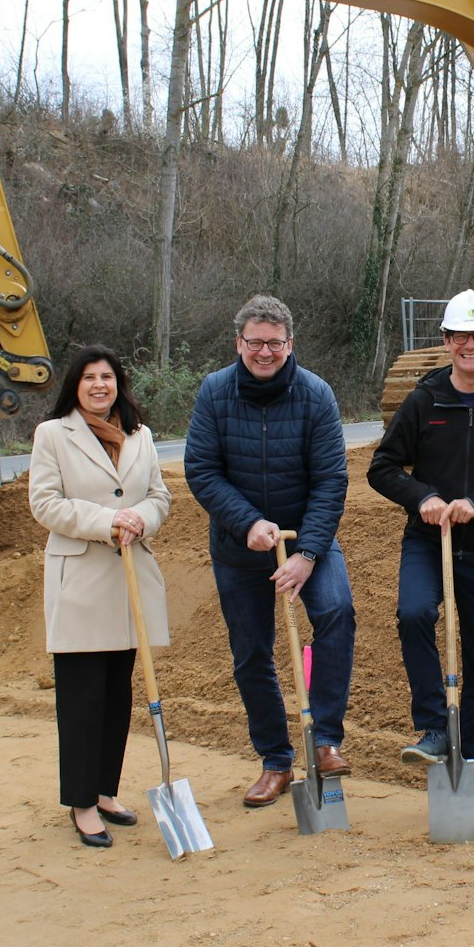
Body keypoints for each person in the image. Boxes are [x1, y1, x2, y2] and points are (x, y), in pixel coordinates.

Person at [367, 289, 474, 818]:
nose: (471, 345)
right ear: (446, 342)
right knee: (413, 613)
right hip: (428, 543)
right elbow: (382, 467)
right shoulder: (423, 403)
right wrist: (423, 497)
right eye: (460, 336)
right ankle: (434, 727)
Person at [184, 295, 356, 808]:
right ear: (239, 343)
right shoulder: (215, 393)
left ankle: (323, 739)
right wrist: (247, 523)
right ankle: (276, 760)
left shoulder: (315, 394)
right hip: (240, 547)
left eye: (274, 343)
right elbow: (202, 471)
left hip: (307, 540)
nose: (265, 352)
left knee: (336, 613)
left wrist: (307, 554)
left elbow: (331, 479)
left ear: (290, 344)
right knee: (252, 652)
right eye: (255, 342)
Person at [26, 345, 174, 848]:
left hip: (128, 580)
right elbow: (45, 503)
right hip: (82, 585)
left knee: (116, 696)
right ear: (75, 385)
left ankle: (107, 791)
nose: (98, 386)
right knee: (82, 699)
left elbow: (159, 496)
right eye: (88, 378)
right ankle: (82, 803)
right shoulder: (53, 434)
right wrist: (107, 520)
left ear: (118, 383)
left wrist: (141, 518)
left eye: (106, 377)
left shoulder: (140, 435)